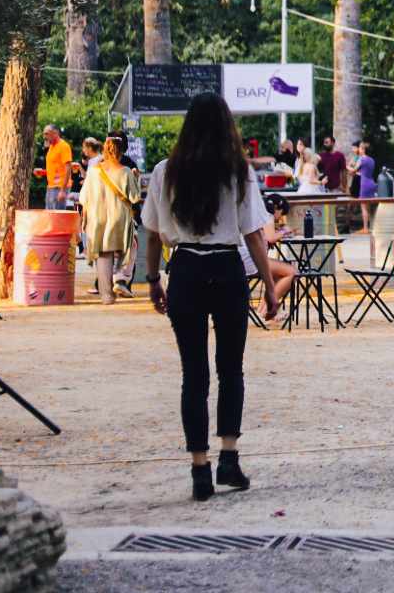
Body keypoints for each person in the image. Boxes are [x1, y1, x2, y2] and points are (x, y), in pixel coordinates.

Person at [142, 93, 279, 502]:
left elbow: (151, 233)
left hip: (184, 269)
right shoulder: (237, 172)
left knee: (193, 374)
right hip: (225, 268)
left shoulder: (165, 172)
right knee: (231, 369)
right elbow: (254, 234)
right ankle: (229, 458)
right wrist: (270, 287)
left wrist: (153, 280)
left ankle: (199, 467)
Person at [80, 137, 141, 305]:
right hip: (119, 218)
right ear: (121, 152)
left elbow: (84, 197)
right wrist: (136, 178)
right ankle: (120, 279)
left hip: (98, 218)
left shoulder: (93, 171)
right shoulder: (126, 171)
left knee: (103, 254)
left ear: (105, 151)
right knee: (128, 249)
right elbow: (135, 197)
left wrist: (84, 219)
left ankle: (106, 295)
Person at [40, 124, 73, 210]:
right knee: (49, 217)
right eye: (44, 134)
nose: (44, 137)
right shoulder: (51, 147)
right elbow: (55, 168)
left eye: (46, 134)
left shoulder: (64, 146)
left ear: (55, 133)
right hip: (51, 187)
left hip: (59, 188)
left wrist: (62, 190)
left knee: (58, 217)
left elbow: (68, 168)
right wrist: (42, 172)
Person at [350, 141, 377, 231]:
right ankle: (371, 227)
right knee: (369, 207)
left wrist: (346, 166)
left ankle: (365, 228)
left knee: (363, 207)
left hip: (364, 183)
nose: (359, 150)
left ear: (364, 150)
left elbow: (354, 171)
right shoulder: (372, 160)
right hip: (372, 183)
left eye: (361, 148)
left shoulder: (362, 159)